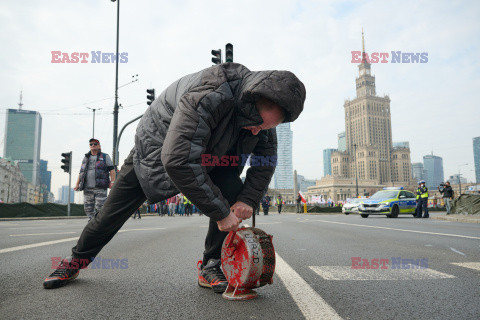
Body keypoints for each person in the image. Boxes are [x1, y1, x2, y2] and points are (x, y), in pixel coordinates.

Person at [43, 62, 305, 293]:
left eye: (266, 128)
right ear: (252, 102)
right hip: (157, 150)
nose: (258, 131)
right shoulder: (210, 94)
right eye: (257, 124)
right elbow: (178, 160)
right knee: (111, 212)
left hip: (213, 154)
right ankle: (75, 262)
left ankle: (211, 265)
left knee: (233, 191)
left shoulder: (263, 122)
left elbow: (264, 161)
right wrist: (222, 213)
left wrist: (247, 199)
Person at [74, 138, 115, 221]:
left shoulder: (104, 156)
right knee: (88, 208)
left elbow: (112, 170)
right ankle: (92, 223)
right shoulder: (86, 157)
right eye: (91, 144)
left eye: (95, 144)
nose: (93, 145)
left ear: (99, 146)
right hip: (87, 187)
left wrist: (112, 181)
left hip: (100, 187)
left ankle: (102, 223)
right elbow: (81, 172)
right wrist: (77, 184)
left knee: (101, 207)